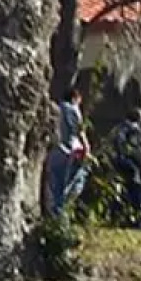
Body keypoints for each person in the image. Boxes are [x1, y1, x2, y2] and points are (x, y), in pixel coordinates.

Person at [109, 107, 141, 229]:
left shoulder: (118, 128)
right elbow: (134, 149)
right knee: (136, 190)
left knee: (122, 192)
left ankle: (119, 218)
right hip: (129, 164)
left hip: (117, 163)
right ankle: (140, 219)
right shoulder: (133, 129)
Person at [47, 83, 90, 215]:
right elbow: (79, 130)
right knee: (76, 181)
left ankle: (55, 212)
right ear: (74, 98)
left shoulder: (54, 109)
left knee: (56, 185)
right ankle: (61, 213)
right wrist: (87, 148)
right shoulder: (72, 109)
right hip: (70, 150)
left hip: (54, 151)